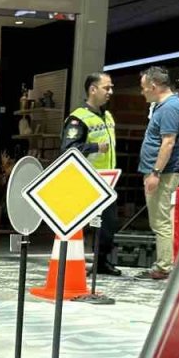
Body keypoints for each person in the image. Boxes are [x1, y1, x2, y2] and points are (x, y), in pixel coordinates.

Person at [60, 71, 120, 276]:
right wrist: (95, 147)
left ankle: (102, 262)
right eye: (106, 87)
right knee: (82, 224)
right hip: (86, 180)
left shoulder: (108, 115)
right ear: (92, 89)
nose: (110, 91)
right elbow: (68, 149)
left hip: (108, 180)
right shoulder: (78, 118)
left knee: (108, 224)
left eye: (111, 87)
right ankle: (69, 261)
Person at [137, 65, 179, 280]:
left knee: (161, 221)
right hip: (159, 172)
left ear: (154, 86)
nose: (142, 92)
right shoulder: (166, 105)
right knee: (161, 219)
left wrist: (155, 172)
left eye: (144, 88)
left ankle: (163, 266)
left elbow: (168, 143)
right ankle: (164, 264)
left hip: (161, 174)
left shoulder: (169, 108)